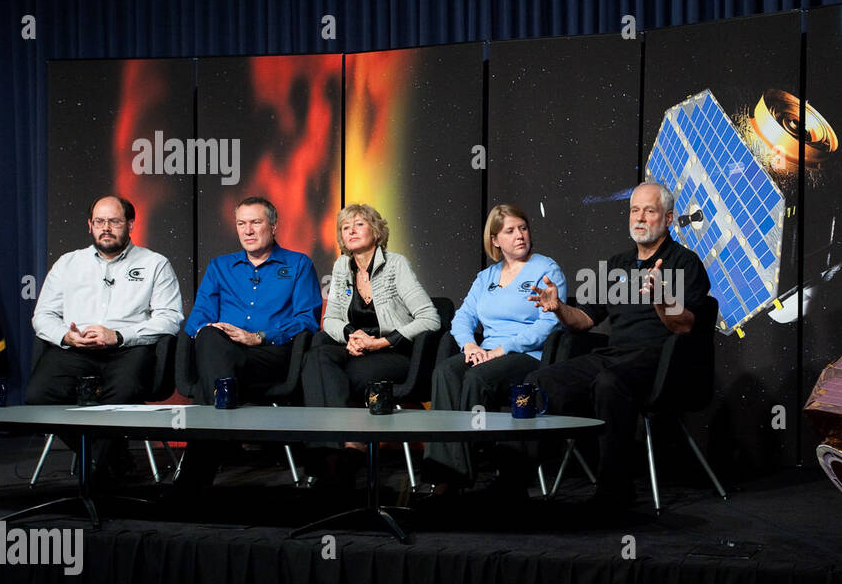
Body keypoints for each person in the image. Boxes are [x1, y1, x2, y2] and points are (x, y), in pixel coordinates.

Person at [527, 182, 710, 511]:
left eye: (649, 211)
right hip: (614, 356)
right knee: (540, 382)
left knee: (611, 384)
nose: (640, 218)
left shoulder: (685, 263)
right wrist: (558, 308)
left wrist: (661, 299)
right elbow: (584, 320)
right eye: (634, 210)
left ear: (668, 219)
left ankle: (614, 494)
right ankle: (513, 482)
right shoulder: (617, 264)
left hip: (662, 363)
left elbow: (685, 326)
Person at [28, 195, 183, 482]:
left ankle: (97, 466)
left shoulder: (155, 263)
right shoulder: (68, 263)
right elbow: (43, 316)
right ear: (90, 225)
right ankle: (110, 457)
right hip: (76, 349)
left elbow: (171, 317)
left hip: (129, 349)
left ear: (130, 224)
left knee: (123, 393)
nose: (106, 228)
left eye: (114, 221)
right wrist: (67, 336)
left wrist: (120, 335)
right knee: (38, 395)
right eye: (99, 221)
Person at [422, 204, 565, 492]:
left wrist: (503, 349)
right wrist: (469, 345)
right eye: (510, 231)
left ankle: (465, 471)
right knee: (445, 372)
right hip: (485, 352)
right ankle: (445, 473)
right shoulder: (486, 277)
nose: (519, 236)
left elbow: (549, 324)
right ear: (495, 240)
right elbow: (462, 317)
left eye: (523, 228)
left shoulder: (546, 269)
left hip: (528, 355)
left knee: (477, 378)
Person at [300, 203, 440, 474]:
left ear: (376, 232)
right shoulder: (342, 265)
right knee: (317, 356)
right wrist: (351, 336)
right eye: (345, 227)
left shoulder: (396, 264)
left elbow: (430, 318)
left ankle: (334, 453)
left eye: (359, 224)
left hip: (394, 353)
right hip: (357, 348)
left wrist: (381, 342)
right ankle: (340, 449)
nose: (351, 230)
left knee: (330, 376)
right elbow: (331, 319)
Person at [184, 196, 321, 403]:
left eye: (256, 223)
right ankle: (224, 404)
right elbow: (198, 318)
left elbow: (307, 319)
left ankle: (215, 422)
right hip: (224, 349)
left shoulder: (298, 264)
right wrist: (212, 331)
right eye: (241, 224)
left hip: (269, 353)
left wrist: (259, 337)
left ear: (273, 226)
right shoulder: (219, 266)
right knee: (210, 337)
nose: (248, 231)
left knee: (212, 369)